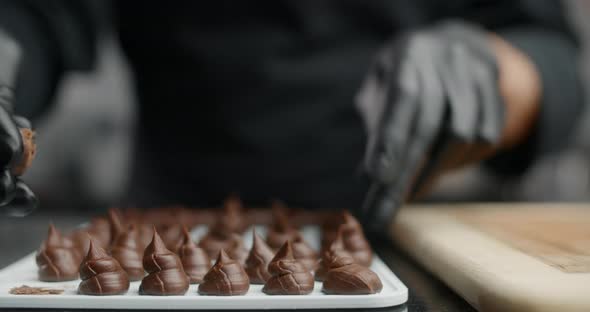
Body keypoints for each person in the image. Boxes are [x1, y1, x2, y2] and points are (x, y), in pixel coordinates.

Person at [0, 1, 584, 233]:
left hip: (398, 231)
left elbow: (551, 51)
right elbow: (39, 14)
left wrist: (492, 70)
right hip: (169, 227)